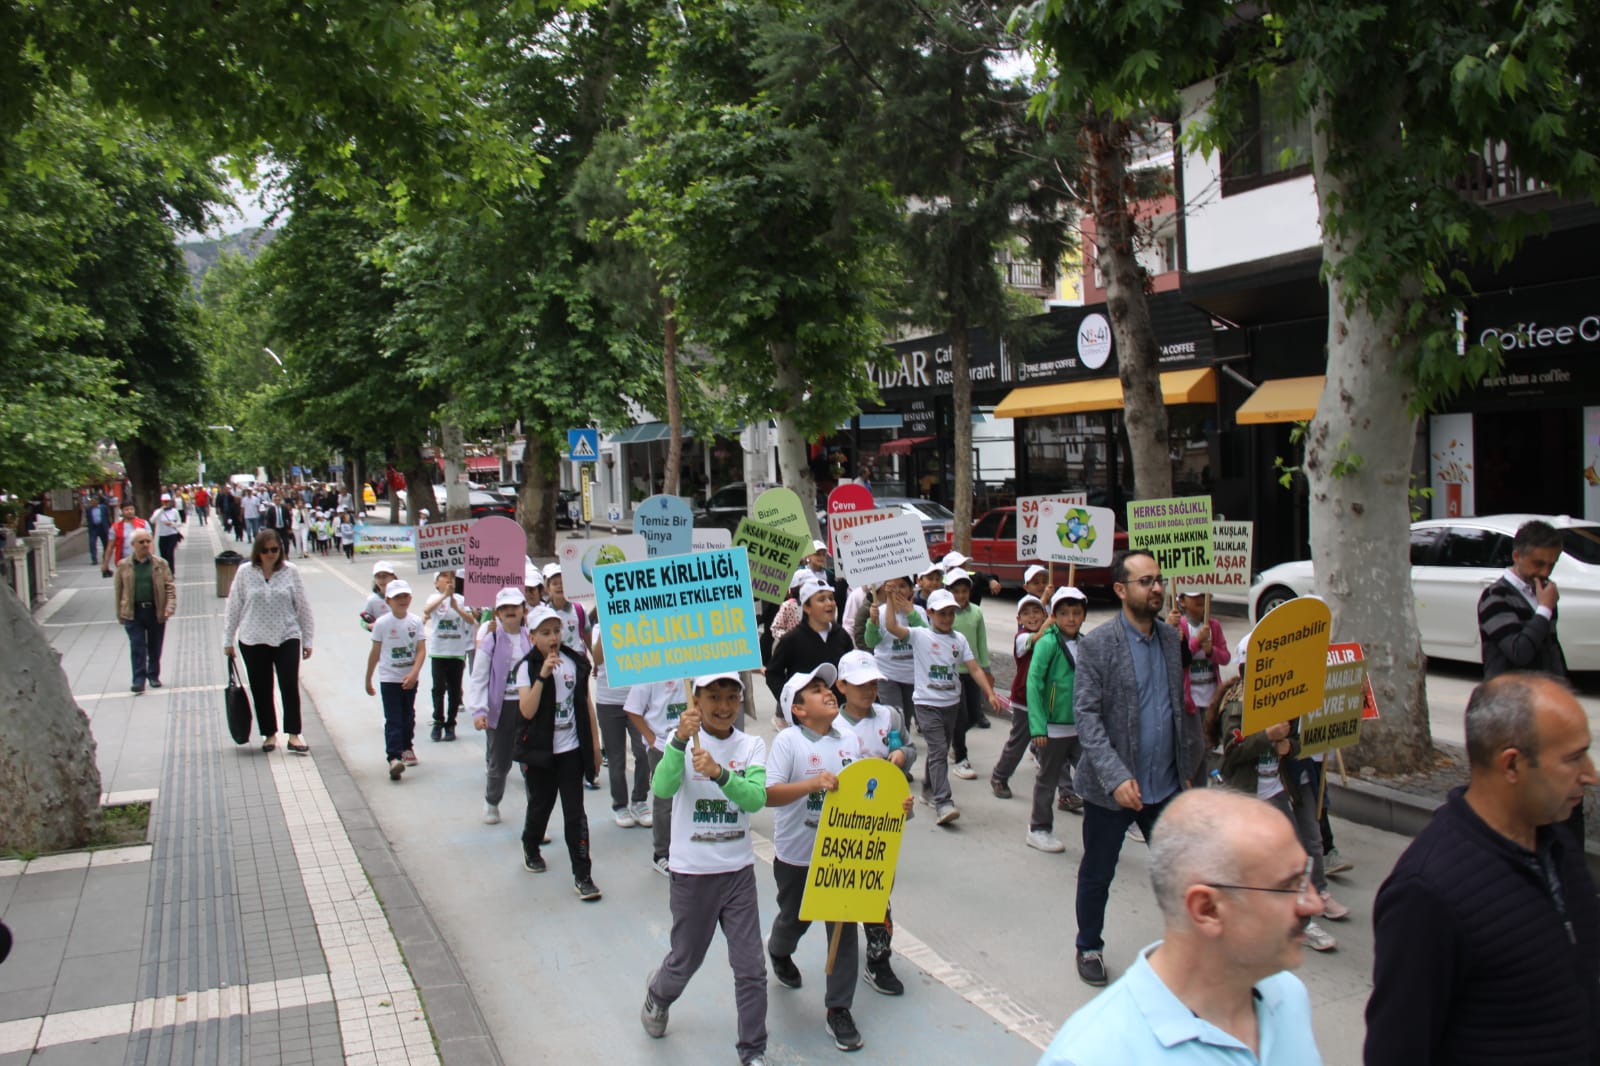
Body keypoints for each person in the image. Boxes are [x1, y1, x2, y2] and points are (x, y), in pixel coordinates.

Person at [1364, 673, 1599, 1066]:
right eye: (1573, 758)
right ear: (1512, 765)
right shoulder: (1427, 893)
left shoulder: (1559, 848)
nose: (1590, 774)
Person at [1037, 788, 1326, 1065]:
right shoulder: (1090, 1056)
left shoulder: (1289, 996)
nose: (1314, 904)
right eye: (1291, 885)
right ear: (1207, 909)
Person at [1071, 549, 1202, 986]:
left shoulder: (1170, 640)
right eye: (1146, 581)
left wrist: (1187, 766)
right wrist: (1115, 776)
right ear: (1122, 590)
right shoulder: (1097, 646)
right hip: (1114, 790)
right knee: (1098, 872)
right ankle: (1089, 944)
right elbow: (1086, 717)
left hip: (1165, 786)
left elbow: (1175, 709)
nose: (1158, 588)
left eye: (1159, 579)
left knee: (1181, 873)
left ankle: (1188, 949)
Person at [639, 674, 770, 1066]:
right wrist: (678, 741)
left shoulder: (751, 745)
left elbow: (755, 799)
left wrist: (720, 773)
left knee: (751, 968)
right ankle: (659, 994)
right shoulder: (677, 739)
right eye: (713, 696)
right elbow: (662, 789)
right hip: (693, 874)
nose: (724, 705)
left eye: (732, 696)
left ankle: (753, 1051)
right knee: (686, 959)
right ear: (695, 698)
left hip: (738, 874)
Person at [765, 665, 875, 1052]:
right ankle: (779, 950)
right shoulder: (788, 743)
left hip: (840, 855)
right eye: (814, 690)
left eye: (826, 686)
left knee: (844, 931)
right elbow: (769, 794)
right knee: (795, 919)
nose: (827, 691)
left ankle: (838, 1009)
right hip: (797, 858)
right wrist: (811, 785)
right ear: (798, 710)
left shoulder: (848, 739)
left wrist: (896, 803)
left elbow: (864, 791)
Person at [880, 585, 999, 826]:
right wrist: (891, 601)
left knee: (941, 750)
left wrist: (989, 692)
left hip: (951, 705)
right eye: (941, 613)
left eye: (950, 613)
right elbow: (892, 627)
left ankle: (927, 788)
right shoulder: (920, 635)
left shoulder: (960, 640)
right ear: (930, 613)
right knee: (937, 751)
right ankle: (943, 801)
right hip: (926, 705)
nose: (947, 619)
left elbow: (973, 667)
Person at [834, 650, 916, 995]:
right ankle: (820, 955)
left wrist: (902, 756)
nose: (868, 691)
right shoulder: (831, 726)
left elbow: (909, 750)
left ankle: (879, 959)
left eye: (873, 684)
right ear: (841, 686)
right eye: (859, 685)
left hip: (883, 823)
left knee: (878, 890)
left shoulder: (890, 717)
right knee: (840, 894)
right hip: (844, 824)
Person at [513, 605, 603, 901]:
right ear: (533, 636)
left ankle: (583, 875)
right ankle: (530, 844)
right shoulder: (526, 667)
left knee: (575, 814)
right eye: (545, 633)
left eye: (556, 631)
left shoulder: (574, 662)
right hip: (541, 753)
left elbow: (584, 704)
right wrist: (542, 675)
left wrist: (593, 746)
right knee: (541, 806)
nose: (553, 638)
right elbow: (527, 710)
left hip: (571, 750)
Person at [223, 529, 315, 754]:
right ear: (258, 552)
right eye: (265, 551)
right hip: (253, 638)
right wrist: (228, 640)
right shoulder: (245, 572)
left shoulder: (290, 571)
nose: (270, 554)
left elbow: (302, 606)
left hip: (286, 635)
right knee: (261, 688)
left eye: (275, 550)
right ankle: (269, 733)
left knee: (289, 685)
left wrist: (307, 638)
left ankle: (294, 734)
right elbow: (233, 606)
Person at [1022, 587, 1088, 853]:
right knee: (1048, 780)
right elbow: (1034, 683)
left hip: (1080, 725)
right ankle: (1039, 828)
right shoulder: (1047, 643)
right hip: (1052, 728)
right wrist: (1038, 726)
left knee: (1091, 779)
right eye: (1064, 613)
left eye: (1076, 613)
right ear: (1055, 616)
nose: (1071, 619)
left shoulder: (1086, 643)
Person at [465, 588, 533, 825]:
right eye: (505, 609)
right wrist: (480, 710)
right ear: (498, 613)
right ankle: (492, 801)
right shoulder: (491, 640)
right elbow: (479, 677)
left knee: (532, 762)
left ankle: (535, 811)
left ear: (524, 610)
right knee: (499, 760)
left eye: (515, 607)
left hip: (527, 710)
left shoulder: (531, 637)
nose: (511, 612)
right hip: (500, 710)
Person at [1478, 519, 1567, 679]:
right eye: (1538, 563)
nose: (1545, 572)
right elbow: (1519, 652)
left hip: (1545, 695)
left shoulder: (1543, 592)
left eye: (1551, 565)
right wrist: (1544, 609)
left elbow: (1552, 649)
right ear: (1517, 556)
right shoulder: (1496, 597)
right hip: (1510, 697)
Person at [626, 678, 691, 875]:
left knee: (689, 796)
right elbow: (632, 709)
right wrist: (652, 739)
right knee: (665, 801)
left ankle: (685, 847)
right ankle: (661, 854)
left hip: (690, 742)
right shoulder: (650, 673)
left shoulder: (691, 668)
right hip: (662, 745)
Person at [763, 579, 853, 717]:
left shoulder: (842, 636)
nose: (829, 603)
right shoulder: (792, 639)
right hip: (807, 716)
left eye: (831, 598)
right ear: (807, 607)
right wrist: (791, 702)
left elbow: (850, 671)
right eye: (821, 599)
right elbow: (773, 674)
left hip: (839, 712)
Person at [365, 580, 427, 779]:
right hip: (389, 678)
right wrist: (368, 679)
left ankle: (407, 747)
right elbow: (375, 652)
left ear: (410, 598)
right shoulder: (382, 624)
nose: (402, 600)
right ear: (388, 600)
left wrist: (414, 673)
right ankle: (394, 758)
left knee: (408, 715)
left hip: (409, 678)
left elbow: (421, 650)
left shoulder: (415, 621)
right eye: (397, 597)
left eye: (405, 596)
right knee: (393, 718)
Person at [991, 595, 1047, 800]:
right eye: (1026, 613)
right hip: (1024, 700)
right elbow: (1037, 637)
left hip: (1047, 701)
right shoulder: (1022, 638)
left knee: (1054, 747)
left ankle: (1066, 791)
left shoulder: (1053, 635)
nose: (1031, 616)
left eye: (1036, 612)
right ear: (1019, 619)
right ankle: (999, 776)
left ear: (1044, 614)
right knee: (1018, 743)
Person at [593, 631, 649, 829]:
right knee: (616, 759)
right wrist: (604, 629)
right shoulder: (599, 628)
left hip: (638, 701)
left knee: (643, 751)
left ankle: (640, 800)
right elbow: (597, 659)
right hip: (609, 702)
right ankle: (620, 805)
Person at [114, 529, 175, 693]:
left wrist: (169, 607)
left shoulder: (160, 564)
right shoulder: (123, 565)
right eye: (141, 542)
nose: (146, 545)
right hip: (133, 612)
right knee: (137, 646)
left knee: (155, 646)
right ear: (133, 545)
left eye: (148, 541)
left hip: (155, 610)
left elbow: (169, 587)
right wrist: (120, 613)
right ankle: (138, 680)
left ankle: (153, 675)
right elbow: (119, 591)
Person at [861, 575, 924, 721]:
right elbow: (871, 642)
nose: (898, 591)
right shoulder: (880, 612)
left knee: (906, 718)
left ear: (910, 589)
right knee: (895, 716)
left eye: (902, 586)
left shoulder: (918, 612)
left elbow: (927, 638)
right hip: (887, 675)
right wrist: (873, 622)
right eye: (892, 587)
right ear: (885, 589)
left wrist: (912, 614)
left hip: (912, 675)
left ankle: (903, 743)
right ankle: (895, 744)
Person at [422, 569, 474, 742]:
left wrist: (456, 608)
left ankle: (451, 723)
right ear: (437, 583)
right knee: (438, 688)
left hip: (456, 652)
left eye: (451, 577)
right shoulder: (433, 598)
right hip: (438, 651)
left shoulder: (461, 600)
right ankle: (438, 720)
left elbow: (470, 620)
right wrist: (444, 596)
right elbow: (427, 610)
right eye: (443, 577)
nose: (448, 580)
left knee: (454, 690)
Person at [102, 501, 149, 578]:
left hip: (143, 559)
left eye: (131, 509)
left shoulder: (143, 524)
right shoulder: (115, 527)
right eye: (126, 510)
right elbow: (110, 547)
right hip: (124, 560)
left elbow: (150, 542)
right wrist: (105, 564)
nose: (129, 511)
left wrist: (152, 557)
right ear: (122, 511)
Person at [150, 493, 184, 573]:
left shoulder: (174, 511)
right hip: (162, 535)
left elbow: (179, 523)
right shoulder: (158, 511)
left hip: (172, 534)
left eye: (167, 501)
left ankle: (171, 571)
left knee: (170, 553)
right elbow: (152, 520)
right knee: (163, 554)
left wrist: (172, 523)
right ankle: (165, 571)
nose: (166, 503)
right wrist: (161, 510)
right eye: (164, 502)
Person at [85, 494, 112, 567]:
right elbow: (88, 518)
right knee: (92, 543)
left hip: (102, 527)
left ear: (97, 502)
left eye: (93, 501)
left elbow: (108, 517)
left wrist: (109, 527)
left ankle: (105, 557)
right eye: (91, 501)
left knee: (105, 543)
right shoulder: (89, 509)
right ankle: (94, 559)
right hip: (93, 527)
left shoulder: (103, 508)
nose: (92, 503)